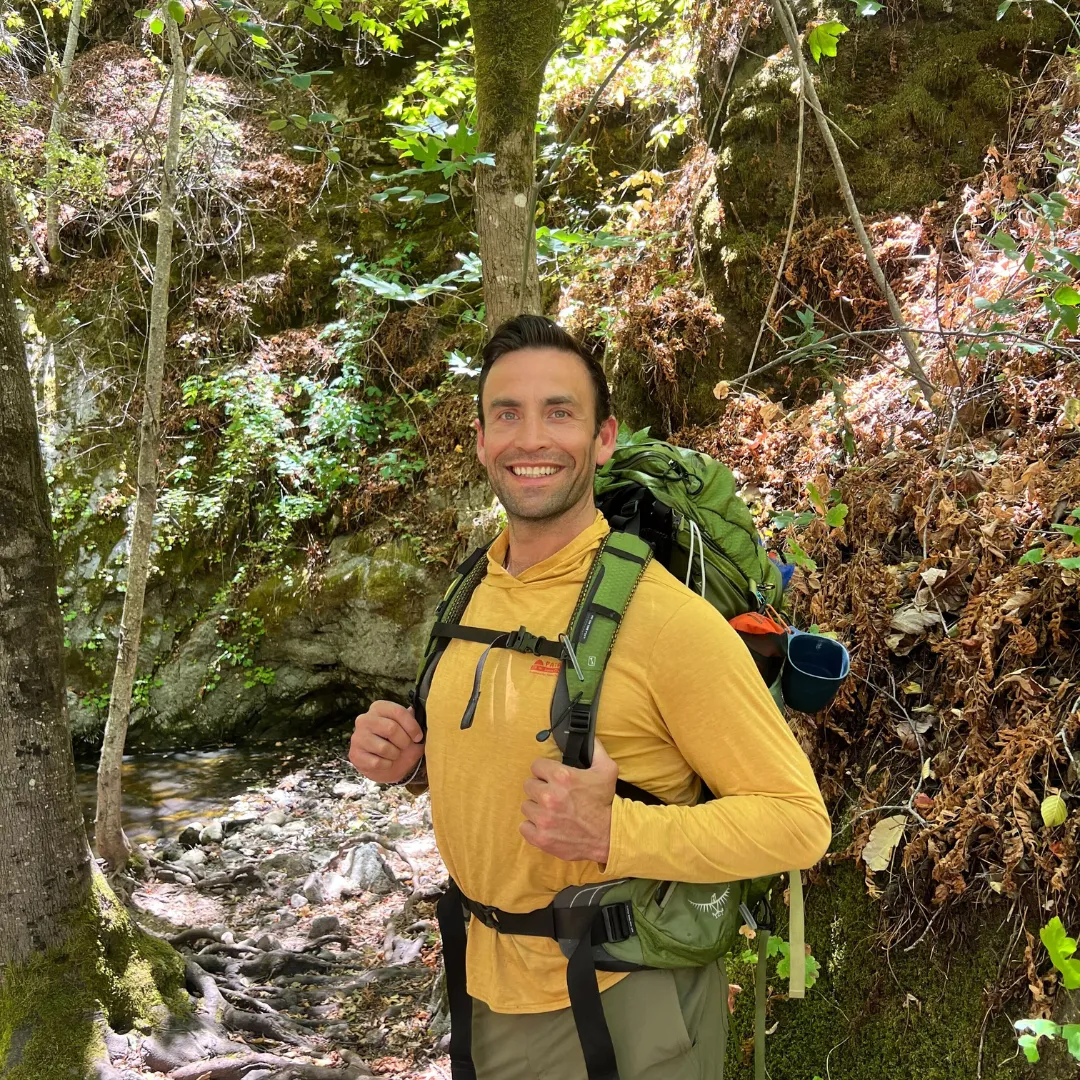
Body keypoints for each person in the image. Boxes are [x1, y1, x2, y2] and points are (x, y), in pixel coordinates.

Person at [348, 315, 832, 1080]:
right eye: (508, 414)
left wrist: (613, 832)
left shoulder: (665, 620)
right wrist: (412, 764)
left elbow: (798, 824)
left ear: (603, 439)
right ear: (481, 440)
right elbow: (503, 767)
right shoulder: (470, 592)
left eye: (559, 412)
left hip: (625, 1002)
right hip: (487, 993)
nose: (531, 438)